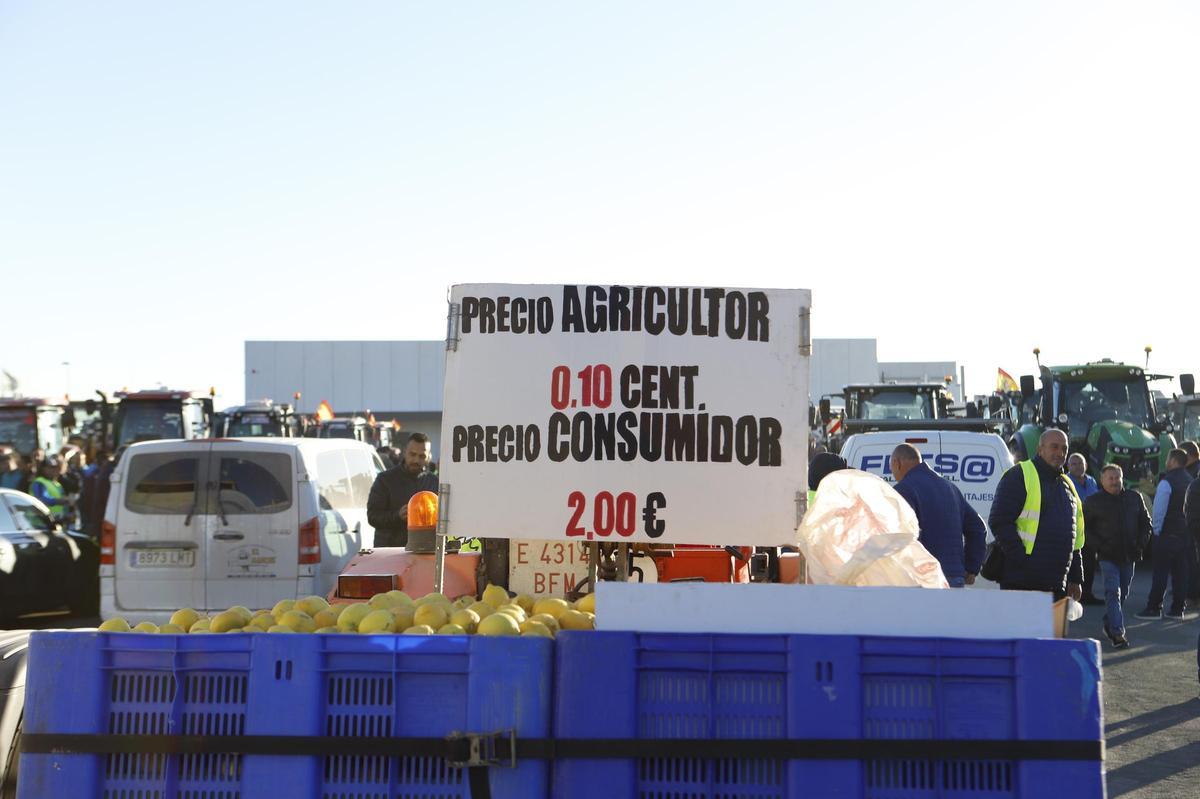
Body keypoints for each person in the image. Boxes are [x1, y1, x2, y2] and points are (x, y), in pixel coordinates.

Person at [989, 429, 1084, 600]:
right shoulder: (1019, 475)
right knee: (1020, 628)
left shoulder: (1067, 484)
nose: (1060, 453)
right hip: (1022, 583)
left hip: (1056, 584)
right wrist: (1022, 561)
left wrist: (1076, 578)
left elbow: (1075, 538)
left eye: (1064, 449)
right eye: (1054, 447)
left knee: (1052, 628)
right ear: (1040, 450)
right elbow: (999, 521)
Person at [891, 444, 987, 587]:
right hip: (954, 578)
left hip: (923, 580)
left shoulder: (903, 490)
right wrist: (971, 567)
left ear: (897, 463)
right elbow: (978, 528)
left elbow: (903, 536)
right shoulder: (950, 488)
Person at [1083, 464, 1151, 648]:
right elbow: (1084, 528)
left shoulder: (1134, 498)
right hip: (1107, 556)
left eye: (1117, 477)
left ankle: (1109, 622)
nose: (1114, 481)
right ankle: (1117, 632)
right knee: (1113, 592)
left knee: (1123, 593)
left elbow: (1146, 523)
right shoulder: (1093, 501)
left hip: (1130, 555)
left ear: (1122, 478)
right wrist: (1099, 546)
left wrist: (1140, 545)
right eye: (1110, 478)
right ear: (1102, 480)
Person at [1137, 449, 1192, 620]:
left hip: (1167, 534)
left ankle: (1154, 608)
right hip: (1184, 534)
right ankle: (1177, 609)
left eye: (1168, 458)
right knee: (1181, 573)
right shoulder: (1191, 481)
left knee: (1160, 573)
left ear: (1174, 460)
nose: (1166, 462)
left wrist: (1156, 532)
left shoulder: (1166, 482)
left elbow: (1159, 511)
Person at [366, 432, 439, 547]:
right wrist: (397, 516)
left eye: (422, 456)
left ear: (429, 457)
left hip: (424, 551)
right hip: (390, 552)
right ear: (405, 452)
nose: (416, 460)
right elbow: (373, 516)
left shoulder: (434, 482)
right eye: (412, 454)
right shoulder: (385, 480)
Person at [1067, 453, 1102, 604]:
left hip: (1092, 529)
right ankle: (1070, 596)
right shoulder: (1066, 481)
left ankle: (1087, 594)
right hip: (1073, 529)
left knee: (1089, 564)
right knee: (1072, 565)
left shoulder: (1092, 481)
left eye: (1080, 463)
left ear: (1086, 465)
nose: (1077, 466)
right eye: (1073, 464)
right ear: (1068, 467)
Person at [30, 454, 68, 523]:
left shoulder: (57, 484)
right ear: (43, 468)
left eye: (55, 467)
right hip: (40, 523)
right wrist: (60, 501)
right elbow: (41, 499)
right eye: (50, 467)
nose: (53, 470)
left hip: (54, 522)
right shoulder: (39, 482)